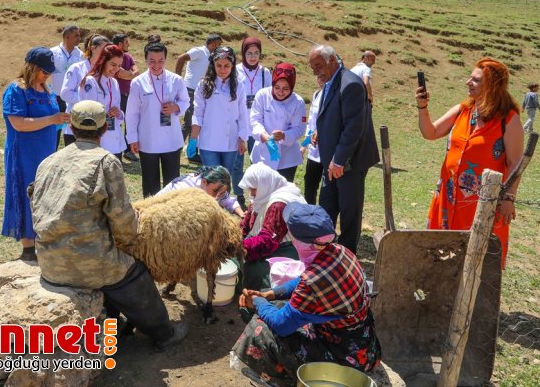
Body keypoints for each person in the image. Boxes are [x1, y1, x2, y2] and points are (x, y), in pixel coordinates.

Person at [31, 100, 188, 351]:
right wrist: (130, 239)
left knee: (112, 265)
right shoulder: (105, 162)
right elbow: (124, 222)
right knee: (132, 272)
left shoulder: (48, 162)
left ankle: (113, 321)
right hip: (86, 265)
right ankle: (163, 333)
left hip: (49, 261)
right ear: (105, 129)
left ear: (71, 125)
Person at [231, 202, 382, 387]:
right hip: (366, 347)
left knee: (260, 327)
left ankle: (281, 381)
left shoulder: (312, 283)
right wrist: (271, 294)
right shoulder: (341, 251)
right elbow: (302, 280)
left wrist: (257, 302)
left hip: (343, 360)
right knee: (277, 307)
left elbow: (281, 325)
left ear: (299, 242)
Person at [416, 57, 523, 268]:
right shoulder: (463, 110)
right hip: (448, 197)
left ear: (492, 86)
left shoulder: (509, 120)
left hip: (482, 204)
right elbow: (430, 132)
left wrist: (509, 197)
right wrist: (422, 107)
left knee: (475, 262)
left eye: (475, 80)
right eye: (470, 78)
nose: (468, 82)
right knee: (442, 258)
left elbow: (515, 163)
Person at [308, 45, 378, 254]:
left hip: (350, 162)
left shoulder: (351, 84)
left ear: (332, 60)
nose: (315, 71)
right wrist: (322, 131)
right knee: (327, 206)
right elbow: (334, 114)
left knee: (349, 211)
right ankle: (326, 252)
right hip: (331, 161)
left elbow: (353, 128)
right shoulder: (330, 82)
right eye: (312, 67)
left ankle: (347, 256)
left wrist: (339, 160)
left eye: (318, 65)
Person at [2, 48, 70, 262]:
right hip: (23, 153)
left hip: (46, 152)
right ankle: (28, 246)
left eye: (49, 72)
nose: (47, 75)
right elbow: (18, 123)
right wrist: (52, 120)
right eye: (44, 71)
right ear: (32, 68)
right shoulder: (17, 90)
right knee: (25, 192)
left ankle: (42, 238)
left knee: (44, 194)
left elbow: (52, 119)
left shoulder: (46, 88)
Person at [125, 41, 190, 197]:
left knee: (172, 182)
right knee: (150, 181)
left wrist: (176, 107)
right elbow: (132, 113)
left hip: (171, 140)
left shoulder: (176, 80)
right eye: (152, 61)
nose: (156, 65)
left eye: (161, 61)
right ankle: (149, 213)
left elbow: (186, 101)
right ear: (146, 60)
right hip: (148, 140)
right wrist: (132, 138)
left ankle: (173, 213)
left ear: (166, 60)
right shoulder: (138, 83)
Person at [236, 163, 305, 293]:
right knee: (233, 260)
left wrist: (241, 247)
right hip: (263, 241)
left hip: (286, 248)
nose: (251, 193)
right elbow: (247, 223)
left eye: (254, 189)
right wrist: (235, 237)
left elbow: (268, 241)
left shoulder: (279, 203)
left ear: (263, 184)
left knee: (253, 270)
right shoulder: (264, 194)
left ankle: (260, 297)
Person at [188, 46, 249, 176]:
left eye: (226, 66)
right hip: (208, 141)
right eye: (219, 65)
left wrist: (242, 137)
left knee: (225, 180)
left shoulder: (239, 86)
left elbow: (243, 114)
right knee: (212, 179)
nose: (222, 70)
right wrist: (193, 139)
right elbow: (198, 114)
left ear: (232, 66)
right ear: (213, 65)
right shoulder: (203, 85)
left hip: (231, 141)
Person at [249, 63, 307, 182]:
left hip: (287, 158)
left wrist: (284, 135)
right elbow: (255, 120)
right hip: (262, 153)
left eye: (286, 88)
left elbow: (299, 129)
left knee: (282, 193)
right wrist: (265, 137)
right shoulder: (262, 95)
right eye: (277, 87)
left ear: (292, 86)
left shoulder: (298, 102)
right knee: (260, 190)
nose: (280, 92)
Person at [232, 37, 272, 207]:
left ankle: (258, 194)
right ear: (243, 53)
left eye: (256, 53)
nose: (253, 57)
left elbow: (270, 97)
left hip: (258, 124)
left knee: (258, 162)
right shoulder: (235, 70)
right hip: (239, 123)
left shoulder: (265, 73)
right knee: (237, 163)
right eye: (249, 53)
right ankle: (239, 195)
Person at [175, 33, 223, 161]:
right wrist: (178, 79)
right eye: (218, 45)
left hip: (201, 91)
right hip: (190, 89)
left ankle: (191, 152)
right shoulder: (199, 51)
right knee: (189, 121)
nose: (219, 48)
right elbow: (181, 58)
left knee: (196, 121)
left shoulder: (211, 56)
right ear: (212, 44)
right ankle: (175, 149)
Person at [59, 34, 111, 146]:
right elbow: (65, 94)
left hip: (97, 127)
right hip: (76, 125)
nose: (106, 53)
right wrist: (89, 100)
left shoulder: (107, 71)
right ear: (93, 48)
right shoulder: (77, 68)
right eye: (103, 49)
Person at [78, 45, 127, 159]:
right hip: (98, 142)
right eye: (113, 64)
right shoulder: (91, 81)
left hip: (114, 140)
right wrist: (104, 115)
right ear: (103, 61)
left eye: (119, 66)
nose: (116, 69)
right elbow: (88, 114)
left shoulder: (114, 82)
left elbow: (119, 112)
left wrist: (118, 113)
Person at [158, 165, 245, 218]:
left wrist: (242, 214)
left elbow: (229, 201)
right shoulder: (184, 187)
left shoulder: (216, 187)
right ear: (204, 182)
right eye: (214, 192)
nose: (217, 197)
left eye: (221, 193)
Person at [50, 24, 83, 147]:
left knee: (71, 132)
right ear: (67, 37)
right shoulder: (53, 53)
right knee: (55, 131)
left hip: (73, 100)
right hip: (56, 98)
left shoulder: (80, 55)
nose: (79, 38)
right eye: (76, 36)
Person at [112, 33, 140, 162]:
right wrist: (130, 74)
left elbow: (136, 72)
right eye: (126, 42)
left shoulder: (128, 57)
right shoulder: (113, 58)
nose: (129, 44)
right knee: (116, 122)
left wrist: (129, 74)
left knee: (130, 122)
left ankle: (128, 150)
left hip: (128, 95)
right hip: (117, 96)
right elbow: (123, 74)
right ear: (119, 44)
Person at [303, 78, 326, 205]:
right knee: (310, 184)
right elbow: (311, 123)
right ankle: (310, 214)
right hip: (313, 149)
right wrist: (304, 145)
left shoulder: (335, 96)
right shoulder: (316, 94)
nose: (320, 80)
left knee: (326, 189)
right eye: (318, 77)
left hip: (328, 150)